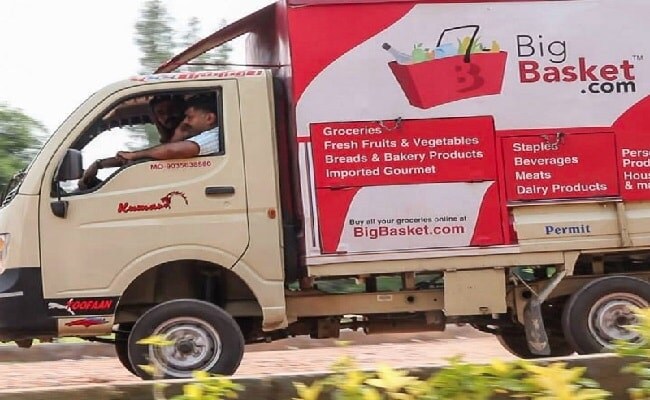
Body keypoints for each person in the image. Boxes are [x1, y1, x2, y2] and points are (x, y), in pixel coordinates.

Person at [78, 94, 196, 190]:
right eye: (160, 113)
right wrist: (99, 164)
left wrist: (100, 164)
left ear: (183, 111)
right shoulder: (171, 139)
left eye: (172, 110)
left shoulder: (187, 133)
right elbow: (147, 157)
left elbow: (161, 154)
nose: (167, 116)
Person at [116, 94, 220, 162]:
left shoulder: (216, 136)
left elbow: (174, 151)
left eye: (189, 117)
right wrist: (178, 135)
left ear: (209, 118)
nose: (185, 121)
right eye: (160, 113)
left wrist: (134, 155)